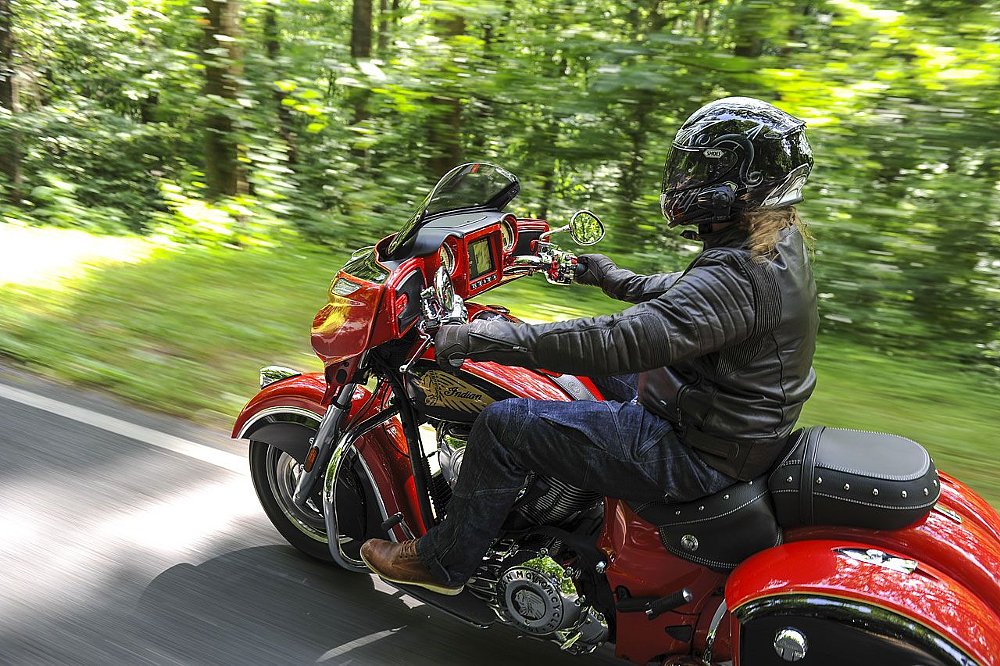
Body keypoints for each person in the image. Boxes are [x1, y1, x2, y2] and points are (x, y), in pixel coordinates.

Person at [360, 96, 819, 596]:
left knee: (504, 423)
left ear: (743, 181)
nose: (686, 180)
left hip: (697, 449)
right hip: (716, 415)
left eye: (701, 168)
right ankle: (557, 508)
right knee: (564, 382)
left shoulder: (743, 269)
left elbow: (622, 340)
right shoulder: (769, 247)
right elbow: (688, 300)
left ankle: (444, 563)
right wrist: (610, 277)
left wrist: (481, 337)